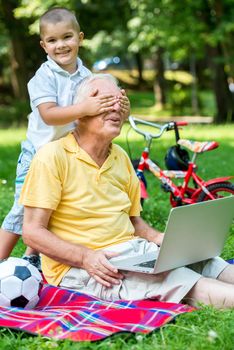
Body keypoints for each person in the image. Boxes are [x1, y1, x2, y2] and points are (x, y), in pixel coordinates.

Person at [20, 74, 234, 308]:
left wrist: (161, 239)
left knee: (206, 262)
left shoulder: (120, 157)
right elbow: (32, 232)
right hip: (85, 267)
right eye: (104, 101)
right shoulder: (52, 157)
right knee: (175, 279)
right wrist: (85, 257)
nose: (115, 108)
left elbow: (134, 222)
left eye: (119, 101)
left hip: (133, 253)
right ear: (80, 111)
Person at [0, 8, 129, 270]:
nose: (61, 45)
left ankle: (32, 257)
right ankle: (1, 256)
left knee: (55, 206)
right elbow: (49, 115)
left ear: (80, 38)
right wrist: (85, 108)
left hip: (69, 156)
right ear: (43, 45)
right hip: (38, 154)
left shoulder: (88, 78)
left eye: (67, 37)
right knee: (23, 209)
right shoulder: (43, 78)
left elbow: (99, 113)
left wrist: (119, 106)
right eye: (52, 40)